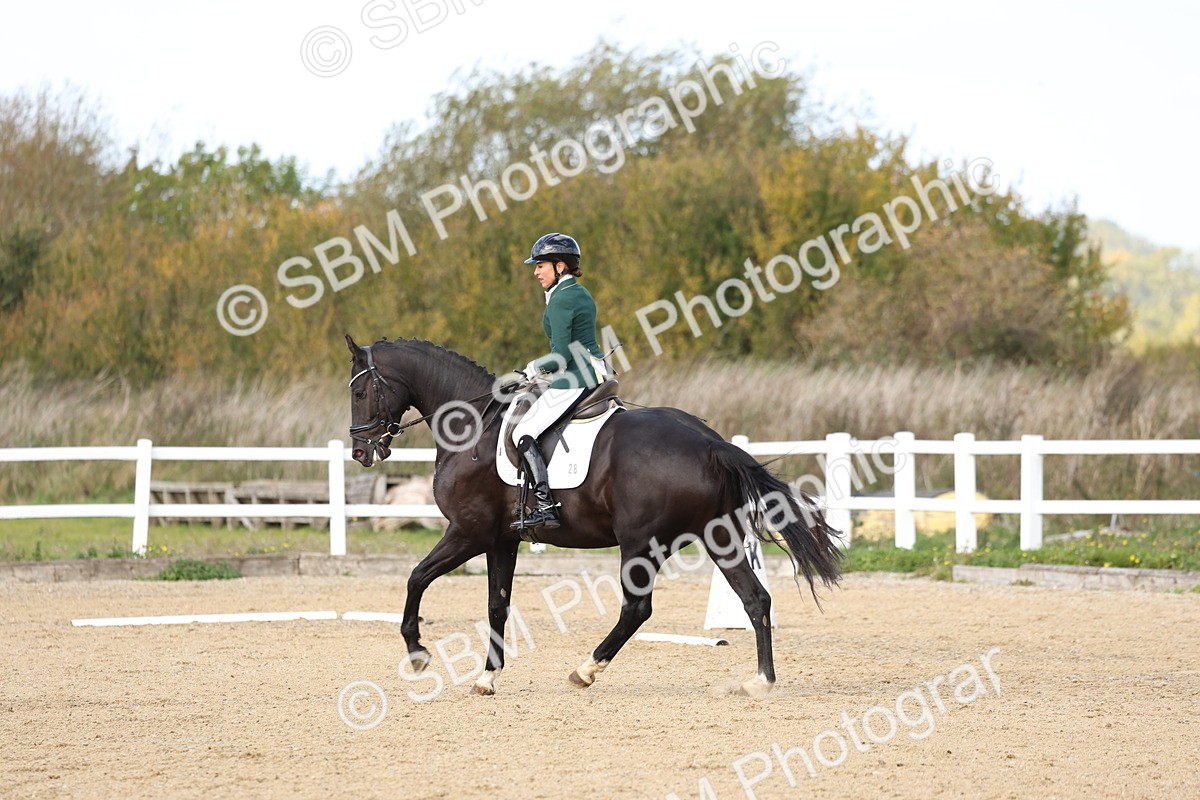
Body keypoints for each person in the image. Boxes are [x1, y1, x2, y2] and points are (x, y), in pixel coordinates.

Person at [509, 232, 607, 531]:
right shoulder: (576, 292)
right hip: (590, 372)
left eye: (541, 265)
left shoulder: (562, 299)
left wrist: (530, 370)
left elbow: (561, 356)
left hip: (574, 378)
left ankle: (545, 506)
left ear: (560, 266)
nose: (535, 271)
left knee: (522, 432)